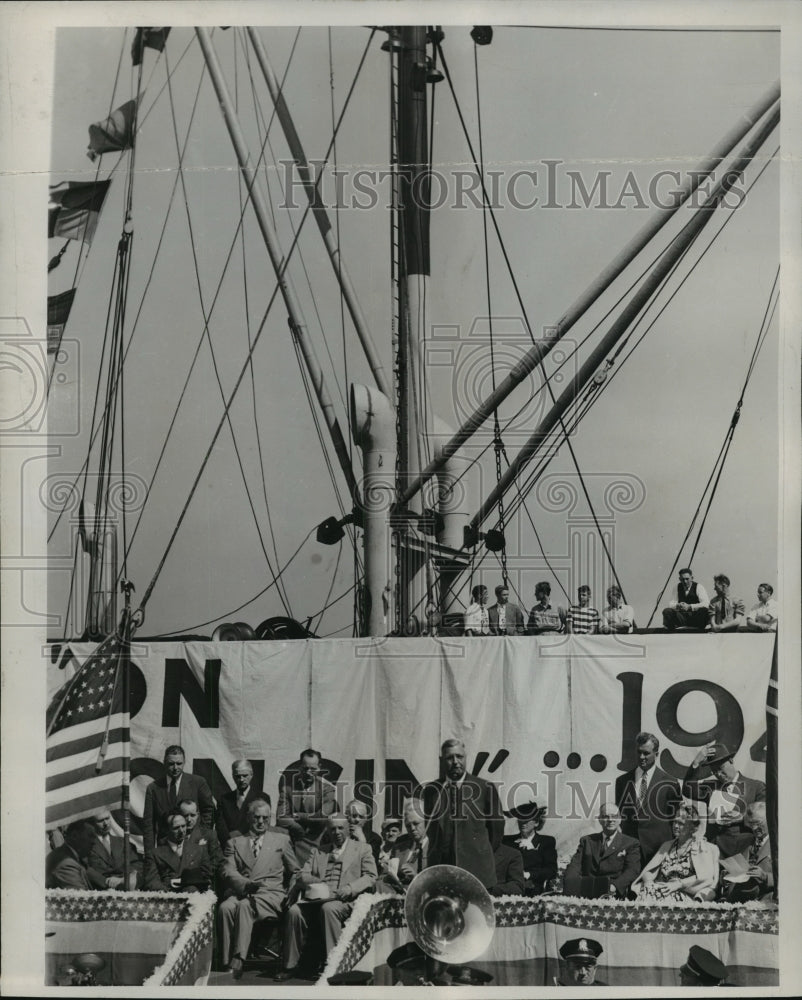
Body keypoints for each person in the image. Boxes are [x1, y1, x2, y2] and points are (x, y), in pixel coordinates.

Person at [277, 814, 377, 981]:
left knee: (328, 909)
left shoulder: (362, 848)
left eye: (340, 828)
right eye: (332, 828)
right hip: (318, 899)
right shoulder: (319, 851)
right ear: (328, 831)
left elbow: (371, 876)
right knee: (294, 911)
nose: (336, 832)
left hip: (345, 900)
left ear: (347, 829)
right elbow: (303, 874)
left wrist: (350, 888)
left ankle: (336, 966)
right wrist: (317, 882)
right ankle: (290, 965)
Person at [219, 798, 300, 980]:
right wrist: (245, 884)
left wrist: (293, 889)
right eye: (257, 817)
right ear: (248, 818)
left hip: (271, 894)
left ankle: (239, 958)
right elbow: (227, 871)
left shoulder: (282, 840)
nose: (261, 822)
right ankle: (226, 962)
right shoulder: (235, 842)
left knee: (246, 905)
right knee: (225, 907)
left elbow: (296, 871)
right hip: (243, 890)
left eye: (265, 818)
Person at [417, 738, 504, 889]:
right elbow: (431, 830)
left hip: (478, 872)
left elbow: (496, 831)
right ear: (441, 760)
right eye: (450, 758)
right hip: (443, 871)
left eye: (460, 756)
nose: (456, 761)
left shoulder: (485, 788)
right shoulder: (432, 790)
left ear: (466, 757)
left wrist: (478, 851)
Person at [681, 740, 766, 858]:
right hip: (715, 851)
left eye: (721, 767)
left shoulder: (756, 787)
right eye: (714, 770)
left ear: (731, 761)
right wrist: (696, 763)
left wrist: (742, 817)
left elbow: (765, 819)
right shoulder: (710, 787)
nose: (719, 774)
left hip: (744, 850)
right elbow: (687, 790)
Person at [615, 732, 681, 865]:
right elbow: (620, 815)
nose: (641, 757)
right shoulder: (622, 781)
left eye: (646, 753)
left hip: (659, 850)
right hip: (631, 849)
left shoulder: (670, 782)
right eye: (639, 752)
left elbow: (676, 819)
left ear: (656, 754)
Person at [631, 803, 719, 902]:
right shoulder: (667, 845)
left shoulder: (703, 848)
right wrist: (648, 882)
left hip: (686, 895)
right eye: (674, 822)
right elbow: (650, 870)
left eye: (681, 824)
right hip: (660, 890)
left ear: (693, 827)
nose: (676, 826)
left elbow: (706, 877)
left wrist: (679, 884)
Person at [142, 745, 214, 856]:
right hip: (166, 849)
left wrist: (201, 836)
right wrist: (150, 855)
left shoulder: (198, 783)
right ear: (164, 763)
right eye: (171, 764)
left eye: (179, 763)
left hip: (194, 847)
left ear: (184, 762)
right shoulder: (153, 788)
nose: (175, 768)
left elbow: (209, 810)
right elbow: (148, 824)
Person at [276, 748, 339, 864]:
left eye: (313, 769)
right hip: (293, 838)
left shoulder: (328, 789)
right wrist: (298, 828)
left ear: (319, 767)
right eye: (305, 768)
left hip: (316, 840)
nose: (309, 772)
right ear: (300, 767)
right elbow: (281, 817)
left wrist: (298, 815)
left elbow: (321, 818)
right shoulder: (287, 789)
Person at [563, 803, 641, 899]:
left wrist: (615, 886)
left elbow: (632, 870)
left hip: (613, 895)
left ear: (620, 819)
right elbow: (574, 866)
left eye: (614, 816)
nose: (610, 820)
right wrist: (571, 885)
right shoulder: (587, 841)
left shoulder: (631, 843)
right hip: (586, 892)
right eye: (606, 816)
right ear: (599, 820)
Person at [144, 811, 212, 893]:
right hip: (168, 898)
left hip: (193, 896)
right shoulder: (155, 854)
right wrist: (170, 894)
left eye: (183, 826)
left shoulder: (199, 850)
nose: (181, 831)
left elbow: (207, 877)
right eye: (176, 828)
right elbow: (152, 882)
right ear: (166, 830)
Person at [720, 802, 774, 902]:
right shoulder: (745, 842)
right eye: (751, 824)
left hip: (765, 900)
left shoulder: (779, 845)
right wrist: (728, 874)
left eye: (758, 823)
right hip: (739, 899)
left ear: (769, 820)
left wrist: (764, 876)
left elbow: (790, 879)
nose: (754, 828)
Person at [501, 801, 557, 895]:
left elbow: (551, 870)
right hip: (508, 885)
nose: (523, 823)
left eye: (527, 820)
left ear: (536, 823)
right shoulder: (507, 841)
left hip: (532, 887)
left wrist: (529, 874)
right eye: (520, 819)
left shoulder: (546, 842)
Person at [379, 800, 430, 892]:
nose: (412, 829)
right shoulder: (399, 848)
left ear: (426, 821)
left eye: (416, 823)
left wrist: (416, 877)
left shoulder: (435, 849)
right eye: (408, 826)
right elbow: (384, 877)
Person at [87, 808, 142, 890]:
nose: (106, 823)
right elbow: (88, 871)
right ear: (92, 823)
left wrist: (123, 879)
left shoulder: (123, 842)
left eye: (107, 818)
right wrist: (107, 882)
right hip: (103, 889)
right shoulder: (87, 846)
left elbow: (137, 863)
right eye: (100, 821)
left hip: (126, 884)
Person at [178, 798, 224, 889]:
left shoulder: (209, 835)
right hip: (177, 882)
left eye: (192, 815)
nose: (189, 819)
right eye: (185, 816)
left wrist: (197, 874)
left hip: (201, 882)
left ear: (198, 815)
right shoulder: (173, 836)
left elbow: (217, 861)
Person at [216, 760, 264, 846]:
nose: (241, 780)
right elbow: (220, 826)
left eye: (245, 776)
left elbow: (261, 825)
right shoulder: (224, 799)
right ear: (233, 776)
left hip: (252, 846)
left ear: (251, 775)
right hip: (229, 847)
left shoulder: (262, 798)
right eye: (238, 776)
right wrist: (229, 843)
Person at [46, 819, 98, 889]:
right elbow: (81, 897)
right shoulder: (66, 864)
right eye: (90, 835)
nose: (94, 842)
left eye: (94, 837)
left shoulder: (70, 855)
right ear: (74, 836)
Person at [344, 799, 382, 865]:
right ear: (347, 817)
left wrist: (362, 840)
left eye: (361, 817)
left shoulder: (374, 838)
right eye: (354, 816)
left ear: (365, 819)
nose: (357, 820)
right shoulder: (339, 834)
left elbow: (372, 865)